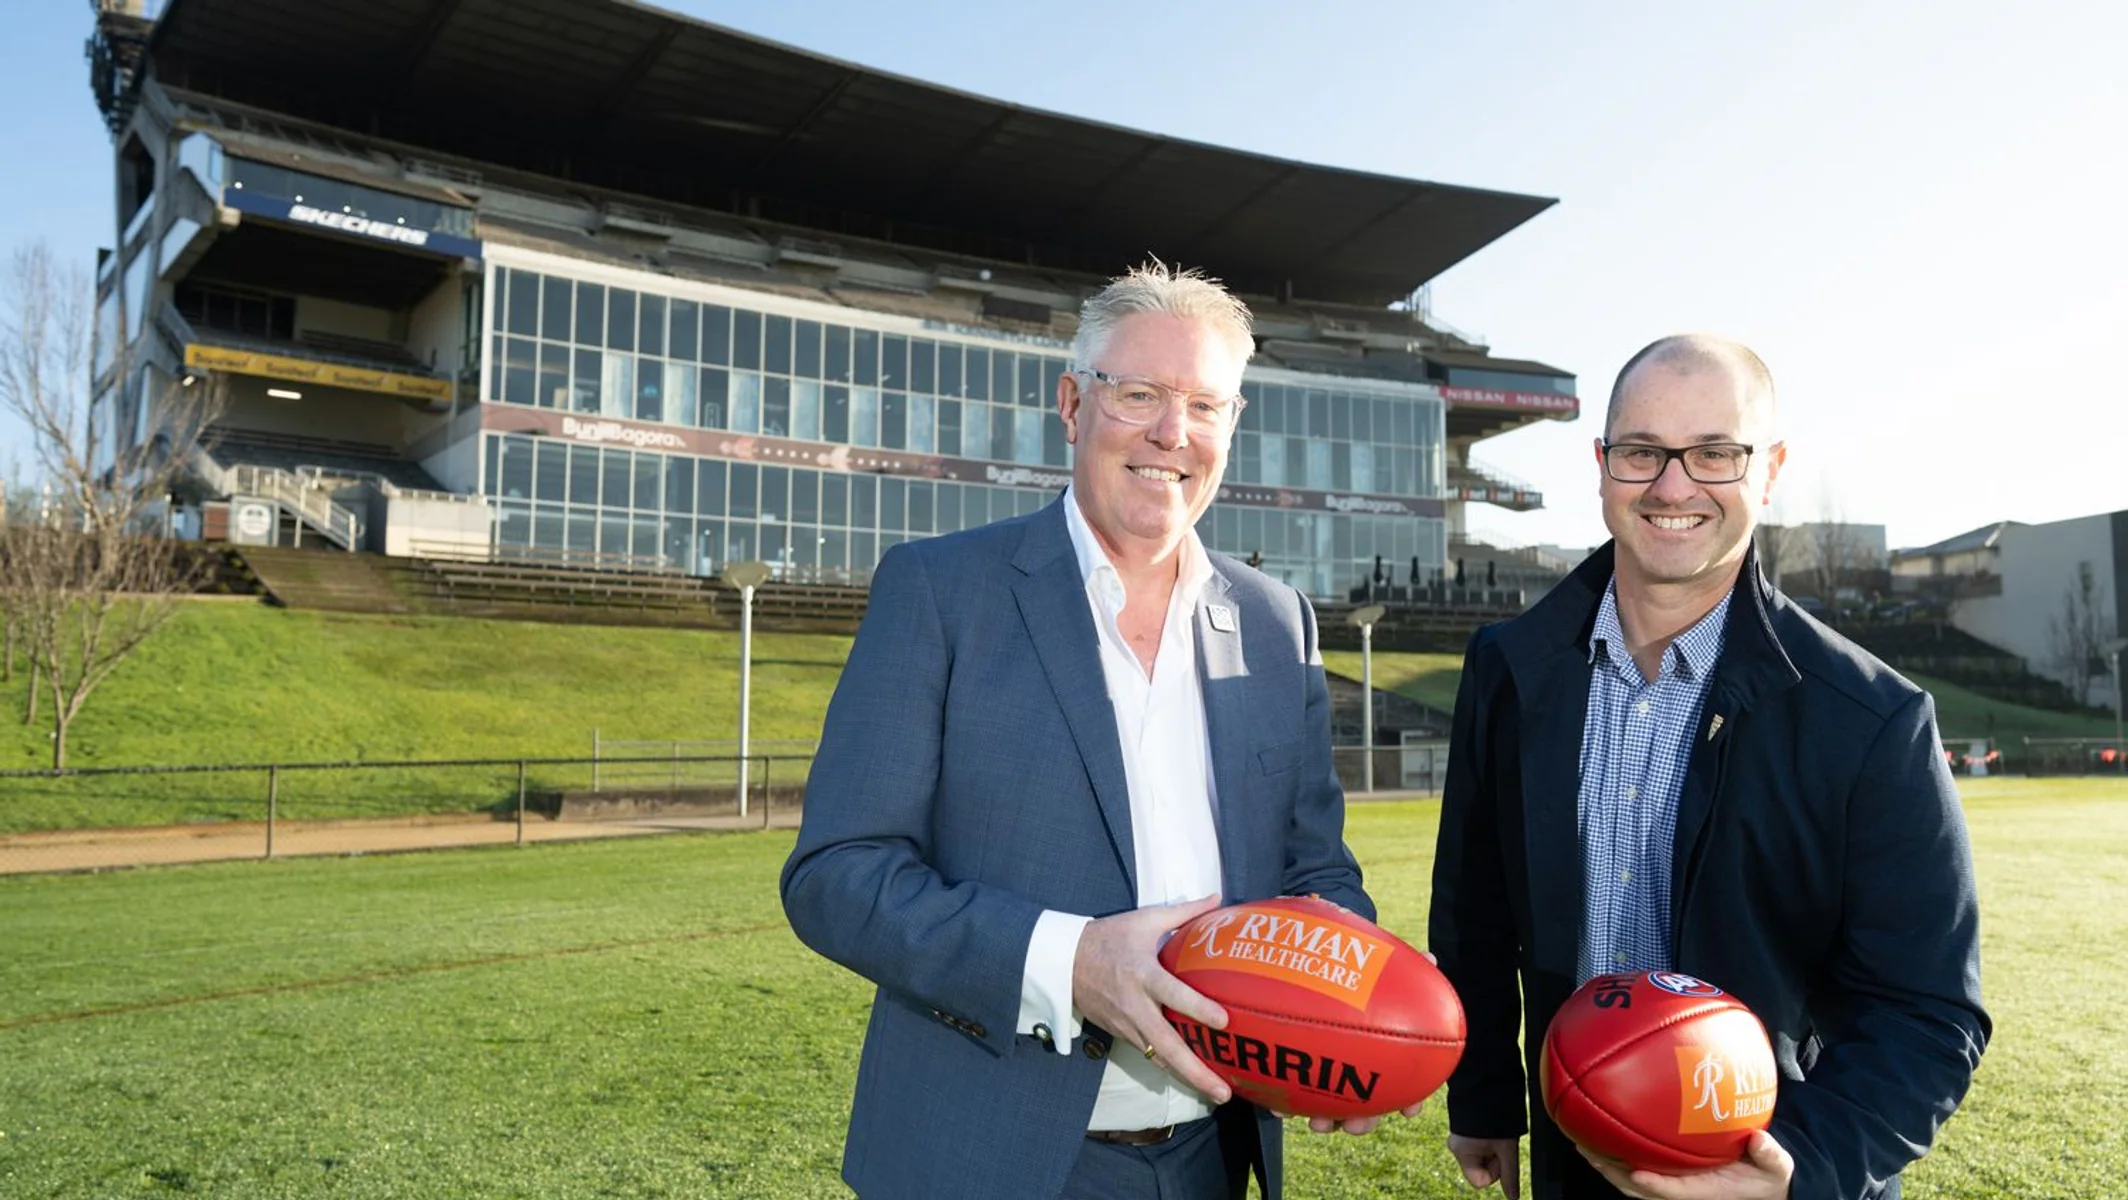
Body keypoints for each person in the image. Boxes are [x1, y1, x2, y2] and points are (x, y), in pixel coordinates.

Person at [783, 263, 1394, 1200]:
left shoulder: (1277, 623)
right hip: (984, 1160)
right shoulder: (943, 592)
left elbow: (1313, 871)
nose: (1171, 433)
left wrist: (1361, 987)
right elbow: (838, 874)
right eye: (1140, 394)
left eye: (1204, 404)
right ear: (1072, 405)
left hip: (1210, 1156)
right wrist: (1067, 962)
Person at [1427, 334, 1989, 1200]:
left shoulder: (1874, 720)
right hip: (1576, 1154)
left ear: (1769, 471)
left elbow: (1925, 1012)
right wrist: (1487, 1095)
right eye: (1642, 451)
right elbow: (1475, 908)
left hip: (1766, 1161)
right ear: (1603, 464)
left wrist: (1795, 1170)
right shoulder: (1511, 666)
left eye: (1716, 453)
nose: (1673, 485)